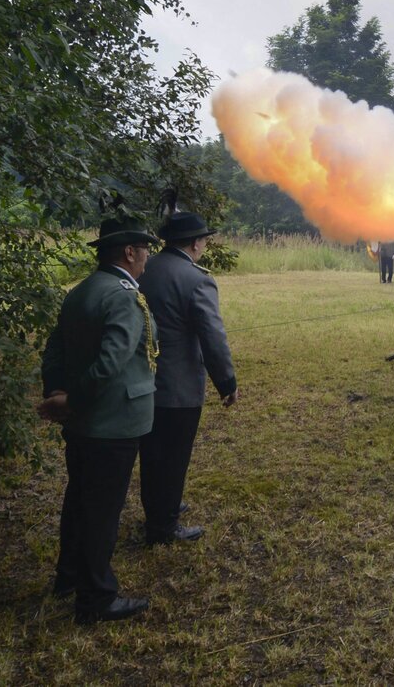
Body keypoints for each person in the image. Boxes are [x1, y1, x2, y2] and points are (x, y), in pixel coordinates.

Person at [38, 216, 158, 625]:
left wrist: (55, 392)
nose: (147, 258)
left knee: (79, 502)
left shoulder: (81, 291)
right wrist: (71, 400)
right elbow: (111, 363)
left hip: (85, 423)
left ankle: (68, 577)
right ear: (129, 252)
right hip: (114, 422)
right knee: (102, 511)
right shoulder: (125, 296)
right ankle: (96, 597)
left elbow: (54, 349)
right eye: (145, 250)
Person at [137, 211, 239, 547]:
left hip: (142, 380)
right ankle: (164, 528)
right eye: (205, 239)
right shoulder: (197, 279)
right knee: (174, 455)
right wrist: (227, 382)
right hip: (178, 385)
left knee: (152, 453)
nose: (205, 244)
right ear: (195, 243)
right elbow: (212, 336)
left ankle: (160, 507)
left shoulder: (144, 269)